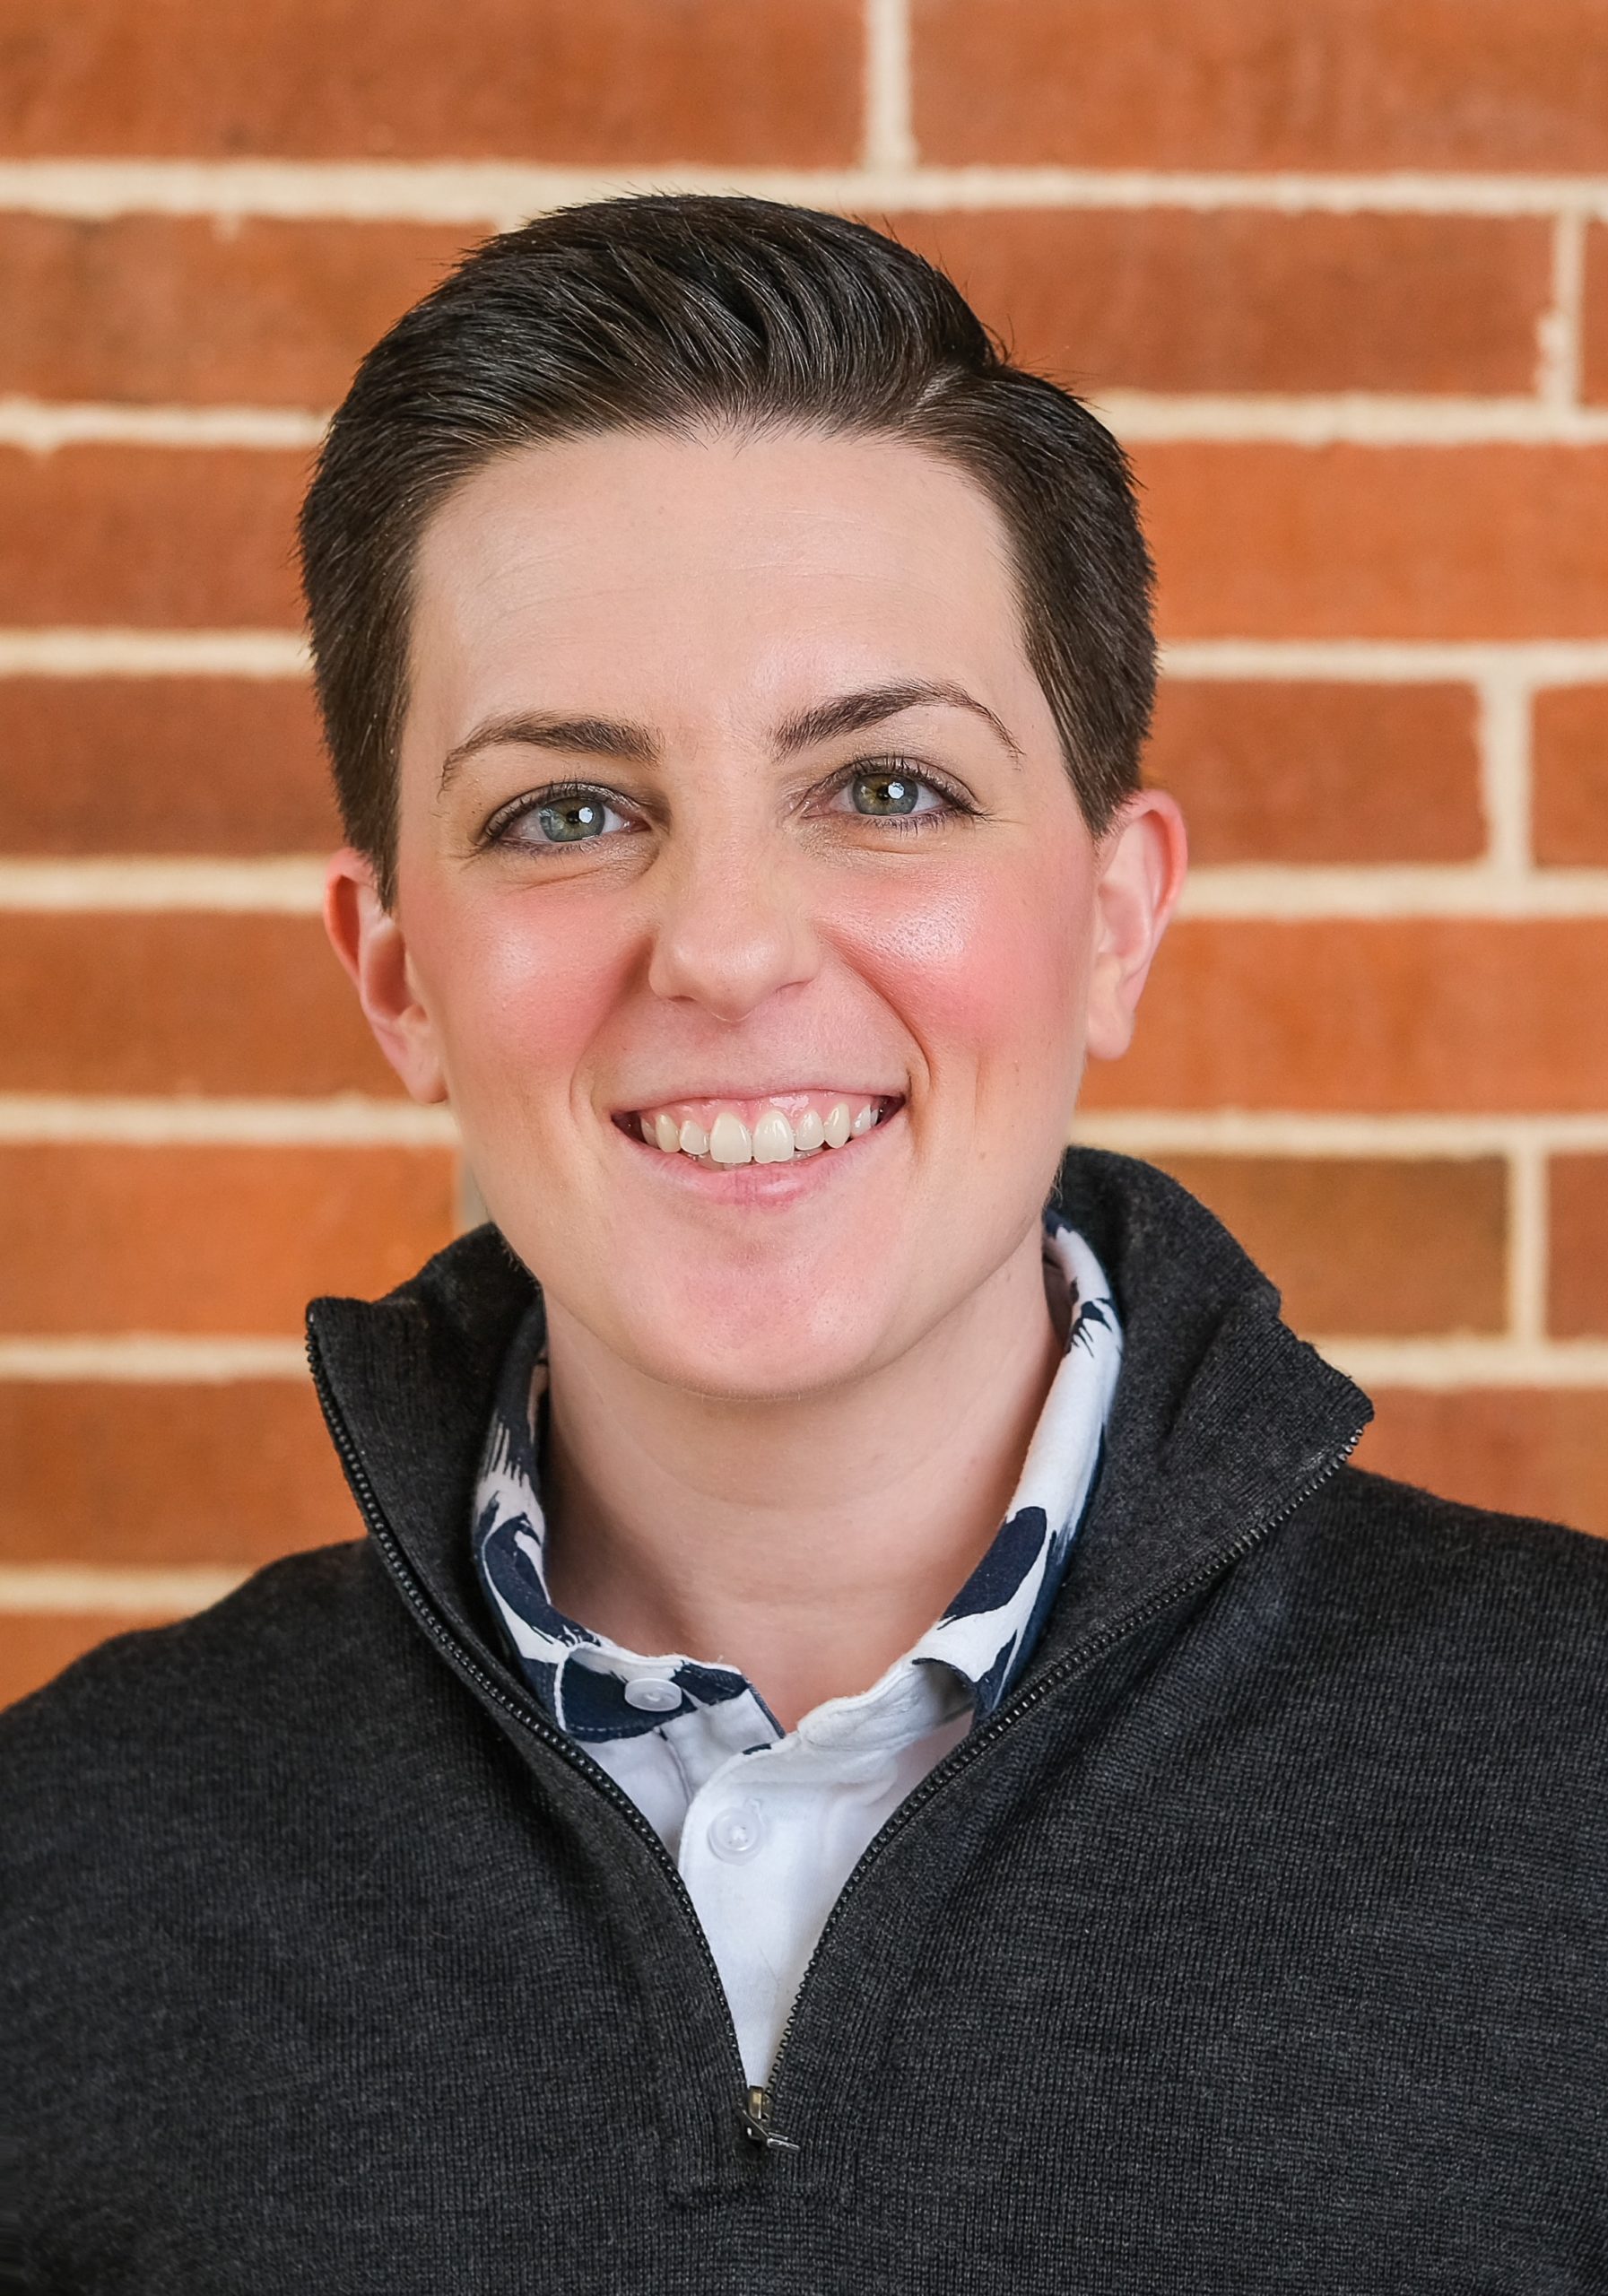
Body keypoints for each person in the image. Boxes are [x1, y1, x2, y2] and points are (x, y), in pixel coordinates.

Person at [4, 194, 1604, 2292]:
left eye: (889, 786)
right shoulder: (63, 1874)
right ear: (396, 970)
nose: (732, 945)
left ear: (1113, 915)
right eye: (565, 811)